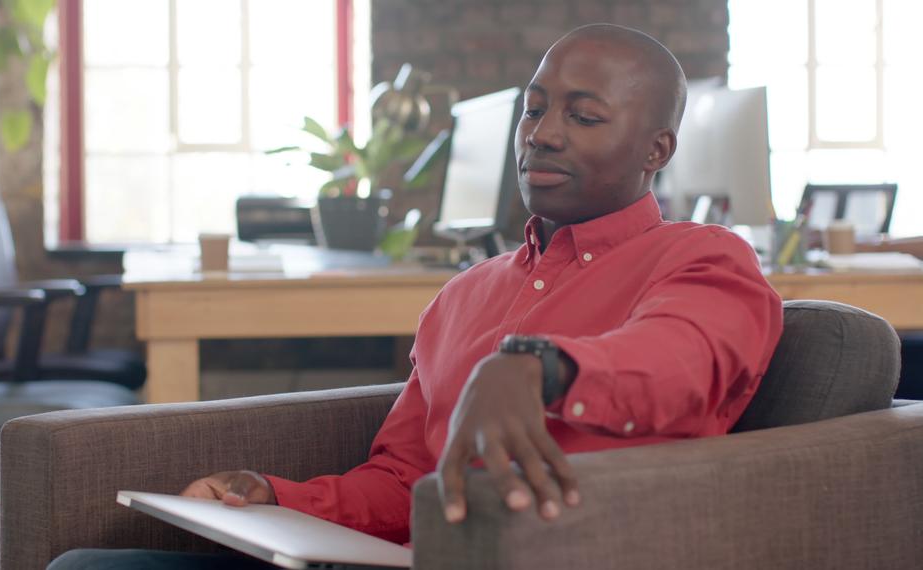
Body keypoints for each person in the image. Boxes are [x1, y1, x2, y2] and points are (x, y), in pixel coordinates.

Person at [49, 23, 783, 570]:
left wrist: (539, 367)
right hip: (416, 554)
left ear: (657, 150)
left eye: (583, 117)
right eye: (534, 111)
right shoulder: (467, 293)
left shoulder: (702, 258)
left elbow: (685, 359)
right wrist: (276, 496)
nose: (542, 136)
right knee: (83, 565)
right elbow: (403, 479)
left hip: (567, 550)